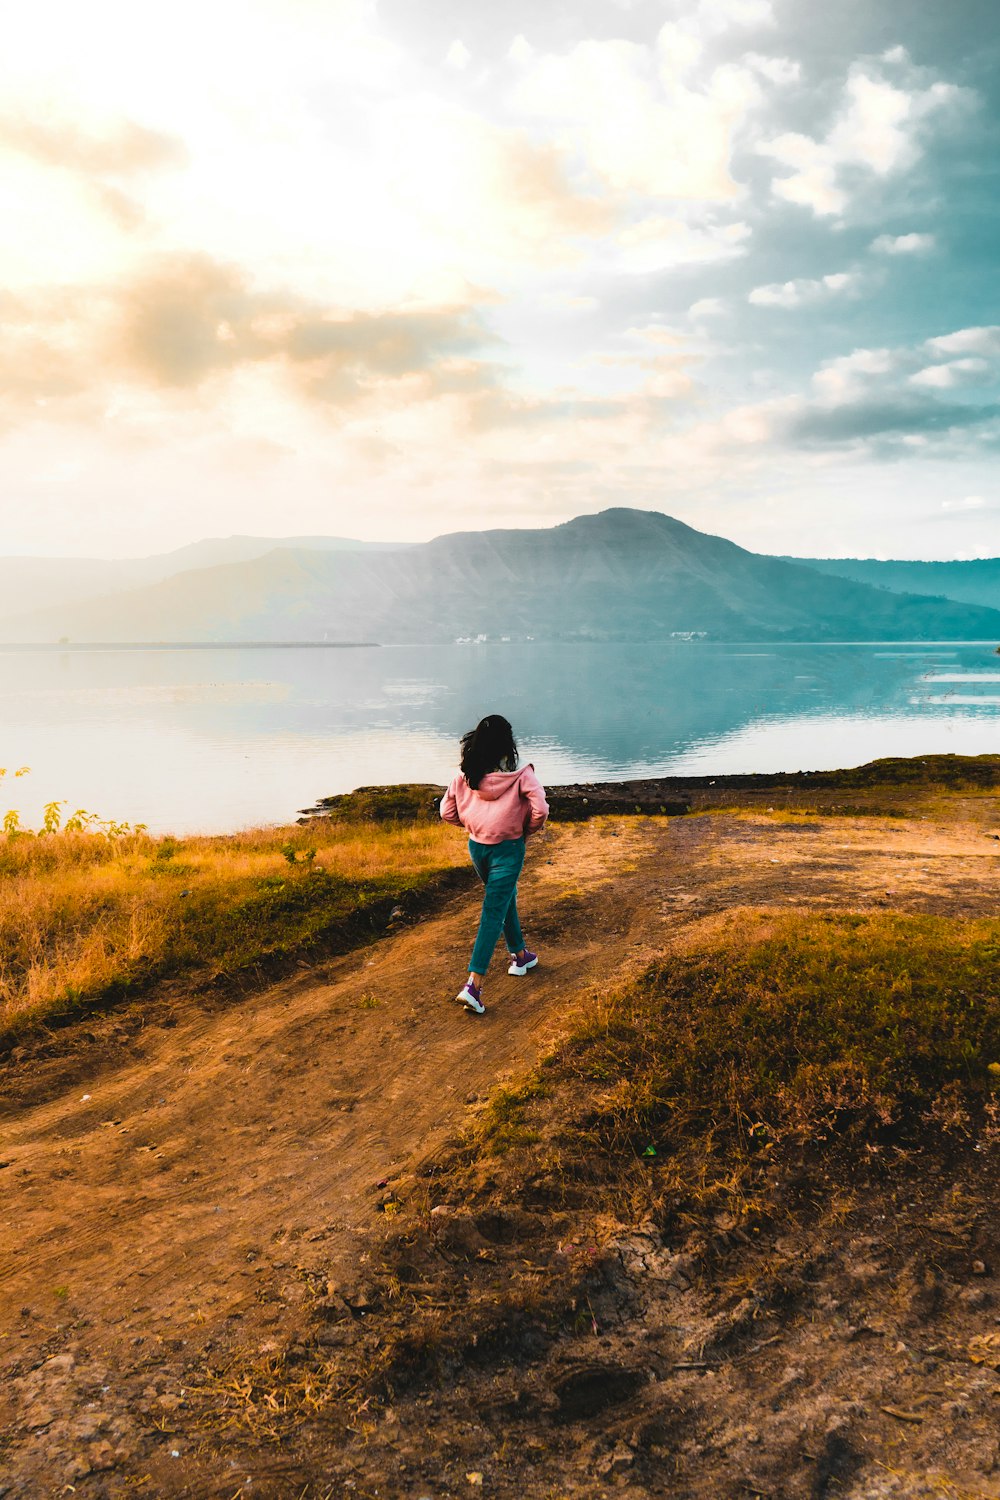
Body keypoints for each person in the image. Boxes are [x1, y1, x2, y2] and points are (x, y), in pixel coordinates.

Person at [439, 714, 549, 1015]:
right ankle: (473, 985)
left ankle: (521, 956)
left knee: (501, 899)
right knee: (493, 908)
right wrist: (525, 829)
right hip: (508, 848)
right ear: (507, 744)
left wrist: (475, 825)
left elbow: (447, 812)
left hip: (478, 847)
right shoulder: (522, 774)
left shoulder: (465, 775)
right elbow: (541, 809)